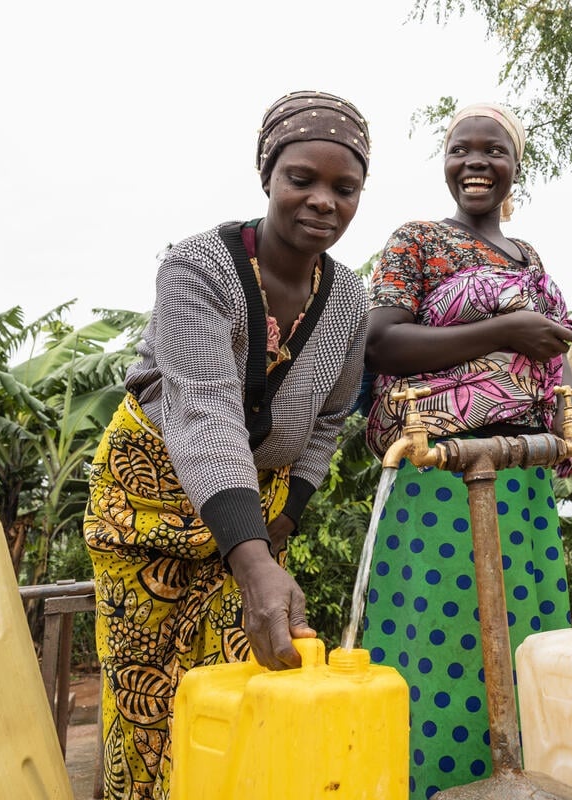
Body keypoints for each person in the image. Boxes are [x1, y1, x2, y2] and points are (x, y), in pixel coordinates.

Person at [82, 90, 370, 799]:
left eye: (345, 188)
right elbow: (205, 413)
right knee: (148, 701)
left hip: (256, 517)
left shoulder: (350, 301)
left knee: (241, 691)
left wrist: (280, 528)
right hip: (148, 504)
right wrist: (255, 554)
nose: (323, 201)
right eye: (302, 178)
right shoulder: (198, 269)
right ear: (267, 174)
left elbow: (329, 423)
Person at [361, 102, 572, 799]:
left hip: (521, 467)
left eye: (493, 151)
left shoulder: (528, 256)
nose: (476, 162)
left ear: (515, 166)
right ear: (445, 164)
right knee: (441, 634)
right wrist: (504, 333)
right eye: (460, 150)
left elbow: (552, 350)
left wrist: (555, 394)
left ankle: (527, 778)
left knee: (527, 630)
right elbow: (380, 341)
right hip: (437, 462)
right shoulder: (416, 241)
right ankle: (430, 784)